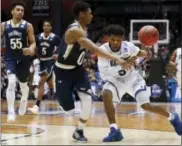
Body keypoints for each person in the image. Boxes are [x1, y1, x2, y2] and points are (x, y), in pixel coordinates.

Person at [54, 1, 129, 142]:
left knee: (88, 100)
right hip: (62, 71)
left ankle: (79, 131)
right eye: (90, 13)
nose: (92, 15)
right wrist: (116, 58)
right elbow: (94, 49)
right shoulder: (75, 30)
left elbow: (82, 50)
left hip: (77, 71)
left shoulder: (84, 28)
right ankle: (72, 118)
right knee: (68, 109)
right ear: (82, 14)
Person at [97, 24, 182, 142]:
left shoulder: (128, 46)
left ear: (122, 38)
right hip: (114, 80)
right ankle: (114, 130)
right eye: (113, 39)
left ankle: (172, 117)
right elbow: (105, 72)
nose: (116, 42)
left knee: (146, 105)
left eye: (118, 40)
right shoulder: (102, 51)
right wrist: (124, 62)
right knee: (106, 93)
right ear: (108, 38)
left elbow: (142, 53)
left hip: (132, 79)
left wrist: (146, 48)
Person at [1, 0, 36, 121]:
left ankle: (24, 101)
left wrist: (31, 49)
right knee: (11, 82)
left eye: (22, 10)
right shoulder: (4, 25)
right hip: (10, 58)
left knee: (23, 85)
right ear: (12, 11)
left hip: (23, 58)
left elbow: (33, 42)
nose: (20, 12)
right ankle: (11, 111)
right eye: (18, 10)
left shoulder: (27, 25)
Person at [28, 20, 60, 114]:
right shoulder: (38, 37)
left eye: (48, 25)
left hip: (50, 61)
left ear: (51, 27)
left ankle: (36, 105)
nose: (46, 27)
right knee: (49, 80)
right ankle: (53, 92)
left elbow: (61, 47)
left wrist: (57, 54)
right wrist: (33, 52)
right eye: (44, 25)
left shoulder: (55, 37)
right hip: (41, 61)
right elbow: (34, 46)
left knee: (41, 82)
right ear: (43, 27)